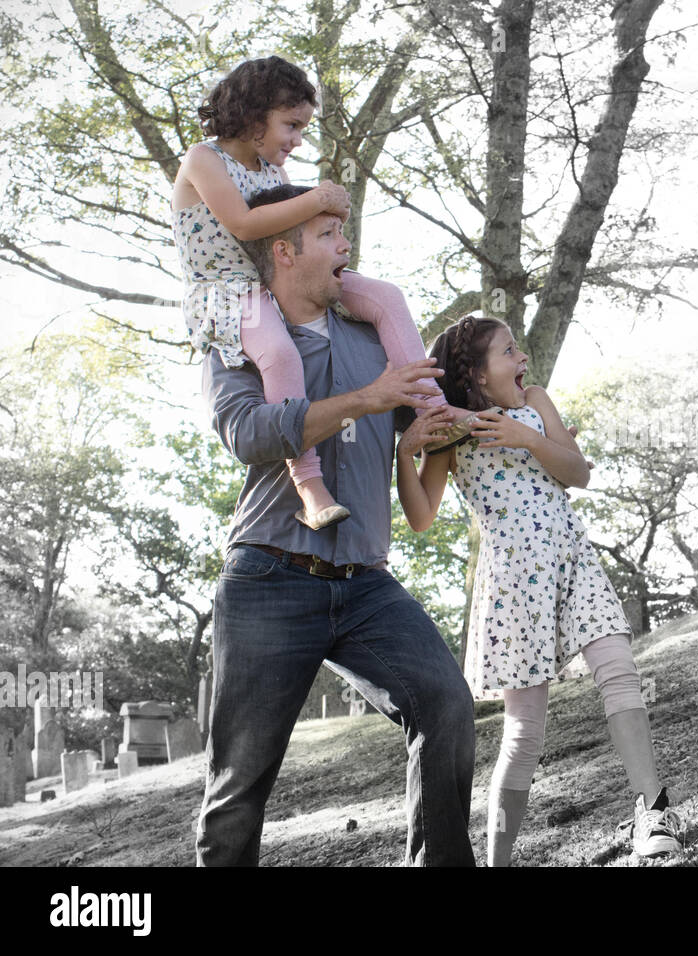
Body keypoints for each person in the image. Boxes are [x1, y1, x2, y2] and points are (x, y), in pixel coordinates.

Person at [197, 183, 475, 866]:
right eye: (328, 235)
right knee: (241, 781)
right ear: (286, 250)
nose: (346, 246)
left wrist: (523, 424)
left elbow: (429, 427)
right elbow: (249, 433)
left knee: (446, 705)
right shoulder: (235, 340)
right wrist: (366, 399)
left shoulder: (374, 334)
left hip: (365, 581)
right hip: (269, 574)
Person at [397, 315, 684, 865]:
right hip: (513, 586)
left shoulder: (535, 400)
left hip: (573, 559)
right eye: (508, 352)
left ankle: (653, 811)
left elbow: (579, 472)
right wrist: (403, 457)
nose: (521, 358)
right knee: (524, 732)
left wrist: (527, 437)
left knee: (620, 672)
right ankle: (499, 861)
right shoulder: (452, 435)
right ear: (478, 375)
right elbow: (420, 517)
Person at [173, 55, 472, 531]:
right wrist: (316, 199)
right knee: (281, 354)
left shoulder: (272, 174)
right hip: (230, 290)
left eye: (302, 129)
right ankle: (309, 483)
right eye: (290, 125)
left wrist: (326, 228)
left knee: (386, 297)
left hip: (273, 278)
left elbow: (294, 236)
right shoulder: (203, 159)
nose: (295, 140)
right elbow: (243, 224)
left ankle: (432, 409)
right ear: (254, 115)